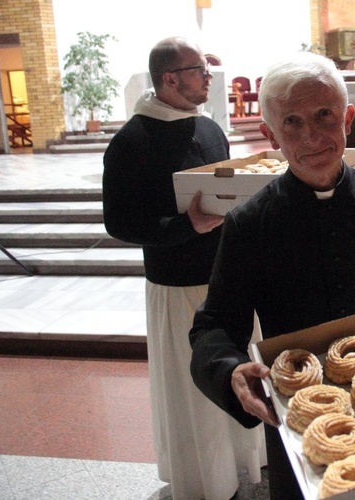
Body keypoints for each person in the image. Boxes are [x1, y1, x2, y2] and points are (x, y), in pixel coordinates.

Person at [189, 51, 355, 499]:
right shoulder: (249, 224)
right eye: (292, 122)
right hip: (300, 414)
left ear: (347, 119)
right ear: (269, 134)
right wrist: (228, 371)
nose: (312, 137)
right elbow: (214, 325)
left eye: (323, 115)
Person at [102, 37, 263, 499]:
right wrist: (184, 226)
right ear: (170, 78)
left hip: (228, 277)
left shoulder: (208, 128)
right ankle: (204, 479)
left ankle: (246, 463)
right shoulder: (131, 141)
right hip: (177, 286)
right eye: (200, 68)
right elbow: (119, 222)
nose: (210, 74)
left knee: (240, 372)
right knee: (195, 388)